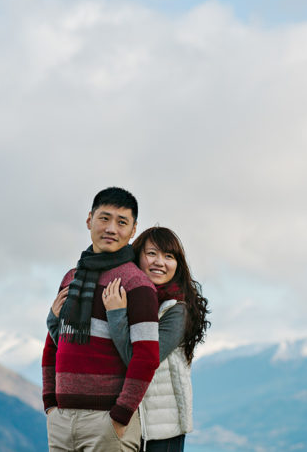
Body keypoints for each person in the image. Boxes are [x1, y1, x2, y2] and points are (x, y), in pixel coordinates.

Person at [42, 187, 160, 452]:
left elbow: (147, 357)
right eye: (104, 218)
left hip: (106, 421)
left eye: (122, 222)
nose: (111, 228)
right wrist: (50, 402)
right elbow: (54, 344)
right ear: (89, 220)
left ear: (133, 230)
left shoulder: (136, 284)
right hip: (61, 420)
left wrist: (120, 416)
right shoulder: (71, 278)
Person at [100, 227, 209, 452]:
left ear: (178, 264)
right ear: (137, 257)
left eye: (168, 256)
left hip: (162, 431)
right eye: (152, 254)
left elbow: (140, 361)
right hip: (129, 422)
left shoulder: (177, 310)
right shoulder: (130, 300)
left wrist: (116, 314)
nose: (160, 262)